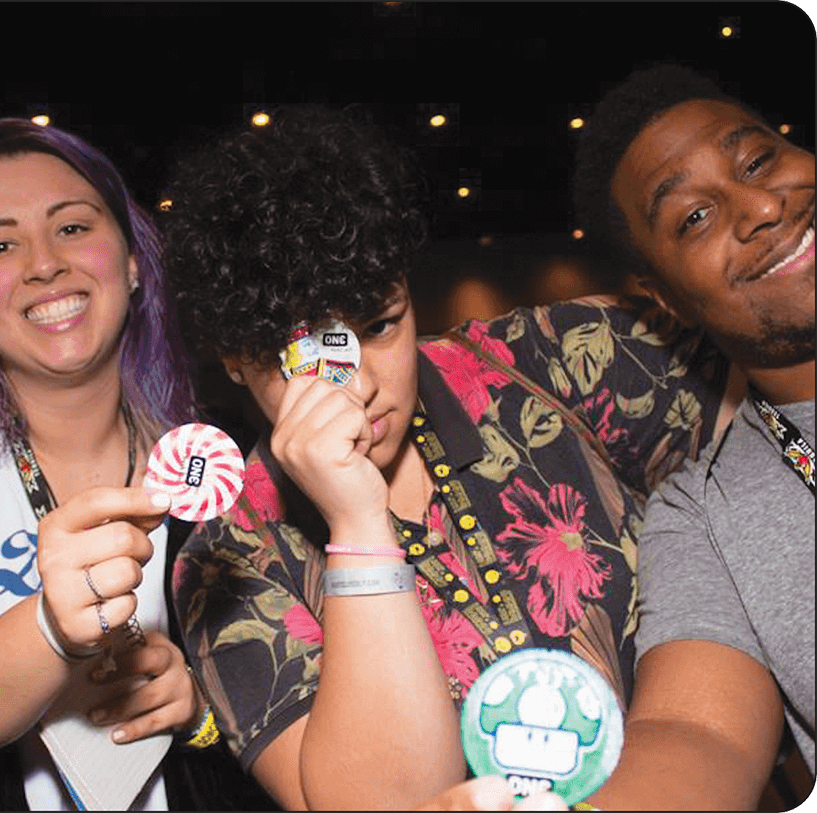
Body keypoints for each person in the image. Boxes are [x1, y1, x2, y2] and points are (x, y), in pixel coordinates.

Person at [158, 104, 734, 809]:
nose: (360, 384)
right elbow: (377, 803)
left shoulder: (552, 358)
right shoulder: (229, 563)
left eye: (380, 324)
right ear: (239, 361)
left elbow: (769, 393)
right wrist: (359, 524)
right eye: (303, 354)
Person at [0, 117, 275, 811]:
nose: (43, 264)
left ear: (132, 263)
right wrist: (53, 628)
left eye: (72, 227)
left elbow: (287, 710)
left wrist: (201, 716)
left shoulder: (223, 466)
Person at [566, 64, 815, 808]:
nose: (762, 206)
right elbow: (692, 732)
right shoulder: (704, 516)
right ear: (666, 296)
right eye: (693, 218)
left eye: (758, 160)